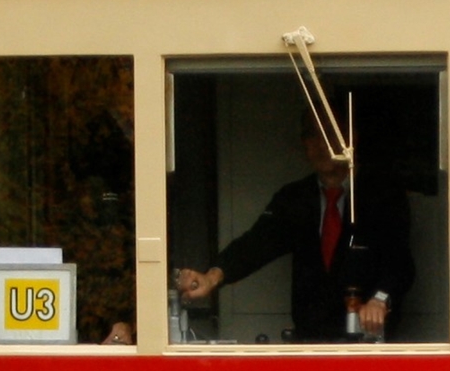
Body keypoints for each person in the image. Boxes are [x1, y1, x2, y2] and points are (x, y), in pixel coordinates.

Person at [175, 126, 414, 341]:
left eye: (329, 134)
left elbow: (400, 262)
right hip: (310, 342)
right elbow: (256, 244)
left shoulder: (382, 195)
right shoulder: (295, 198)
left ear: (351, 139)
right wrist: (212, 277)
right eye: (312, 136)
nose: (322, 144)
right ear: (304, 145)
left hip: (369, 344)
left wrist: (380, 300)